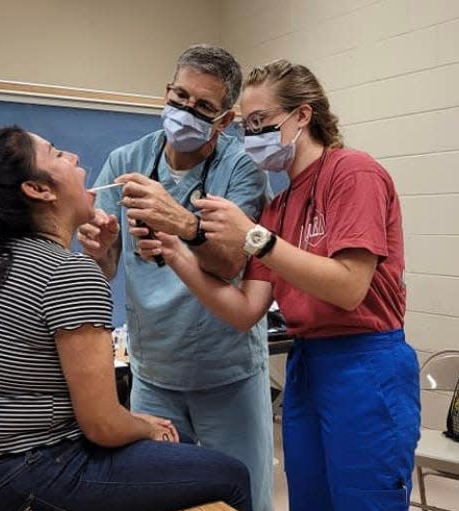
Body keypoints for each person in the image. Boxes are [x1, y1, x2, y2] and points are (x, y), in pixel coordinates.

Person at [132, 60, 422, 511]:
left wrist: (254, 239)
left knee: (365, 499)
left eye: (259, 123)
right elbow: (245, 309)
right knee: (309, 499)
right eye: (245, 128)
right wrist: (176, 251)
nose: (251, 138)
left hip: (365, 362)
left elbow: (349, 288)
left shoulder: (353, 173)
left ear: (302, 116)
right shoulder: (280, 204)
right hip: (308, 366)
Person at [0, 126, 252, 511]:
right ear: (39, 190)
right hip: (28, 476)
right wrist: (147, 425)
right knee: (232, 475)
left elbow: (51, 330)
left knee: (180, 441)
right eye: (57, 154)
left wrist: (100, 260)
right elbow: (101, 425)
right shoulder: (69, 273)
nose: (74, 159)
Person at [77, 45, 273, 511]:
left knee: (244, 497)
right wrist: (100, 250)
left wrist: (182, 224)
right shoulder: (128, 160)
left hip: (227, 373)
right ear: (167, 91)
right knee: (160, 499)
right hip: (155, 372)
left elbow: (232, 264)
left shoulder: (241, 167)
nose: (186, 111)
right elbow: (103, 271)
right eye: (180, 96)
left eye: (204, 107)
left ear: (224, 120)